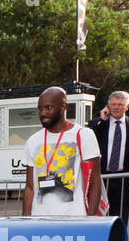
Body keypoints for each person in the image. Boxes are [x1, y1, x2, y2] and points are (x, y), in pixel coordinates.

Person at [21, 86, 101, 216]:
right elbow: (30, 188)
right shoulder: (33, 141)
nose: (43, 113)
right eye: (40, 108)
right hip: (40, 221)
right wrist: (25, 222)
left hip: (74, 220)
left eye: (48, 107)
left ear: (63, 107)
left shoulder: (84, 135)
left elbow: (95, 182)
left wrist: (90, 222)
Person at [88, 90, 129, 224]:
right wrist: (102, 120)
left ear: (127, 106)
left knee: (121, 218)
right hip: (101, 179)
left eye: (120, 104)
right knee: (100, 217)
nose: (116, 107)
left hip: (125, 179)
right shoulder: (97, 123)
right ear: (108, 106)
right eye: (113, 104)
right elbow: (88, 141)